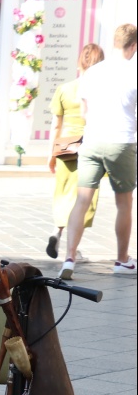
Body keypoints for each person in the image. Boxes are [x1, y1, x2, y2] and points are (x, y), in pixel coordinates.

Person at [61, 23, 138, 279]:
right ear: (134, 46)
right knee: (124, 203)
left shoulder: (93, 72)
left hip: (92, 141)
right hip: (121, 141)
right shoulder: (133, 72)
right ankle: (121, 260)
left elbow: (84, 112)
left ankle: (69, 258)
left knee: (82, 200)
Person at [45, 44, 105, 260]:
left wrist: (51, 154)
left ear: (80, 61)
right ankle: (73, 248)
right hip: (91, 145)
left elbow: (55, 125)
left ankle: (57, 231)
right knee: (86, 197)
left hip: (66, 147)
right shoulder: (102, 90)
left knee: (63, 192)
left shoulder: (65, 88)